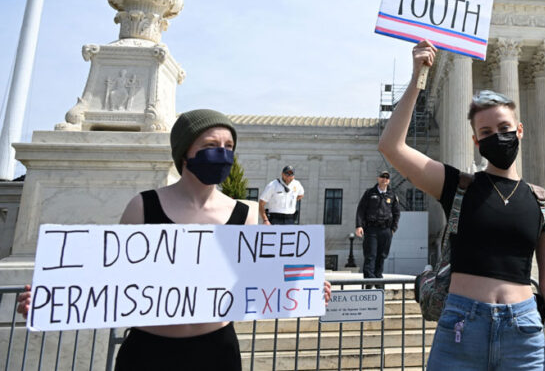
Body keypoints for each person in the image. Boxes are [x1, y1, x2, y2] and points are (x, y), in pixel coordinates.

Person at [16, 109, 331, 371]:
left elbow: (264, 277)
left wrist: (309, 286)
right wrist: (48, 297)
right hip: (150, 352)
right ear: (185, 152)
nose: (222, 153)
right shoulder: (143, 206)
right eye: (211, 144)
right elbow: (107, 277)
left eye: (229, 146)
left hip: (216, 352)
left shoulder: (245, 215)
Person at [378, 41, 545, 371]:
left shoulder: (541, 200)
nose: (497, 136)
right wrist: (417, 79)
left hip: (523, 331)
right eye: (486, 132)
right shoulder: (458, 186)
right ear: (476, 141)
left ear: (519, 131)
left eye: (504, 128)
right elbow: (391, 147)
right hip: (461, 327)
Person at [355, 171, 401, 282]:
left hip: (386, 230)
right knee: (370, 255)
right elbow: (361, 210)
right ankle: (369, 281)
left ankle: (378, 279)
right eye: (382, 177)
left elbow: (396, 213)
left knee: (382, 255)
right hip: (371, 229)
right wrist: (359, 226)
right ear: (378, 178)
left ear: (389, 180)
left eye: (387, 177)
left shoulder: (392, 195)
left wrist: (393, 229)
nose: (384, 179)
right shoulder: (369, 193)